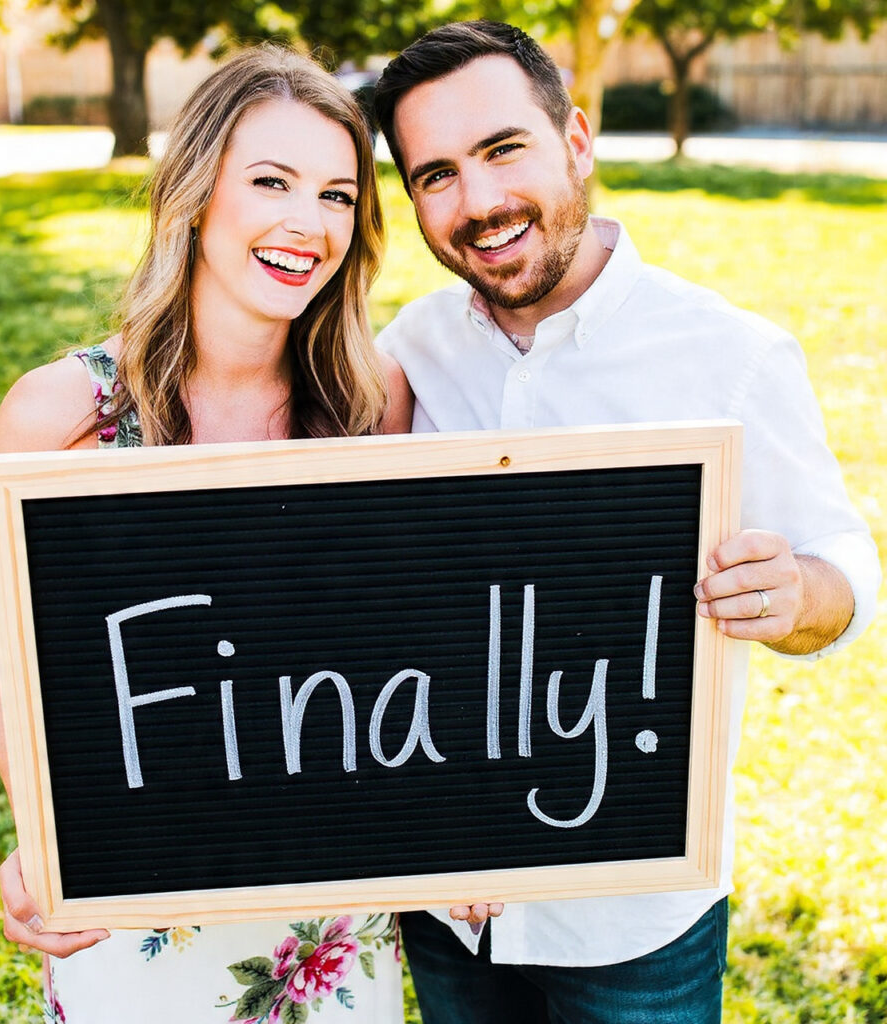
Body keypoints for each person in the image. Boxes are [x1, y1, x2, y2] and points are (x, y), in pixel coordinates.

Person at [372, 20, 880, 1024]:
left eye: (502, 149)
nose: (478, 204)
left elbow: (846, 575)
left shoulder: (726, 355)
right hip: (449, 899)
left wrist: (795, 593)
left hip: (633, 915)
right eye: (435, 175)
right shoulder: (410, 350)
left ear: (576, 140)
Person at [0, 45, 421, 1024]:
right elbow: (6, 648)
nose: (306, 222)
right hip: (139, 885)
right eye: (271, 182)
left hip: (326, 908)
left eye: (338, 195)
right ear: (196, 192)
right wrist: (44, 831)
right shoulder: (65, 411)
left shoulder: (371, 403)